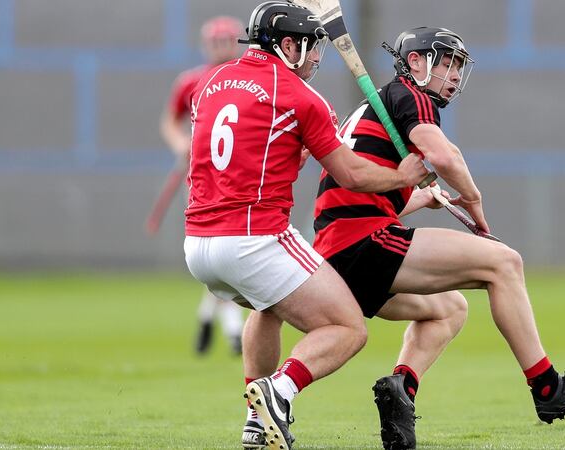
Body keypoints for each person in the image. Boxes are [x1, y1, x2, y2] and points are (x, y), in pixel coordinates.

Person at [242, 27, 565, 450]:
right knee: (504, 263)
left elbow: (357, 193)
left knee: (448, 310)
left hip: (341, 250)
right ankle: (549, 389)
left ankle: (400, 391)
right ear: (417, 63)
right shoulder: (411, 95)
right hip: (363, 242)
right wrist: (474, 202)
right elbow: (444, 156)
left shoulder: (374, 107)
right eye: (446, 63)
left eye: (459, 66)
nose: (454, 75)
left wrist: (416, 198)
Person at [182, 3, 429, 450]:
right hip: (254, 239)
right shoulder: (299, 96)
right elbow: (350, 174)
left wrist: (298, 147)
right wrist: (403, 177)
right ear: (288, 45)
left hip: (198, 246)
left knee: (267, 306)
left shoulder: (209, 83)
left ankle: (256, 424)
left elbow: (252, 153)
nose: (318, 57)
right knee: (348, 329)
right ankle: (280, 391)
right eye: (312, 47)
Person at [159, 16, 246, 356]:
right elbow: (170, 121)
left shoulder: (249, 79)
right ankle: (234, 329)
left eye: (228, 42)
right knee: (216, 249)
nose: (222, 49)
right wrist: (180, 143)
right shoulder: (191, 81)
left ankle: (210, 317)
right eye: (216, 42)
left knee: (226, 253)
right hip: (202, 179)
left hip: (243, 179)